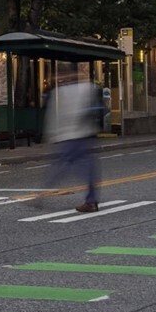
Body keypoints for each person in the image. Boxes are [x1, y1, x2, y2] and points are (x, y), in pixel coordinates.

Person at [45, 67, 103, 213]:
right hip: (85, 134)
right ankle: (92, 200)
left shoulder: (60, 92)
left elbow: (56, 116)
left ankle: (40, 195)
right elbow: (97, 109)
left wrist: (52, 135)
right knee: (86, 168)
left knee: (61, 165)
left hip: (70, 135)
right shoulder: (88, 88)